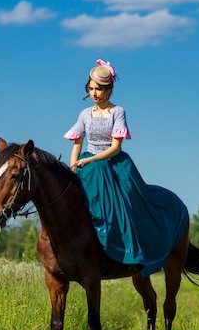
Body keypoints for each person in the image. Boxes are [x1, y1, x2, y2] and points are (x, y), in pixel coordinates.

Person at [64, 59, 189, 277]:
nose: (94, 93)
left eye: (99, 89)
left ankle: (130, 247)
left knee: (129, 197)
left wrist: (91, 161)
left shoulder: (117, 112)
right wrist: (72, 166)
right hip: (88, 161)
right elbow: (77, 143)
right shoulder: (85, 114)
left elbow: (115, 148)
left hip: (113, 162)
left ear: (109, 90)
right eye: (91, 89)